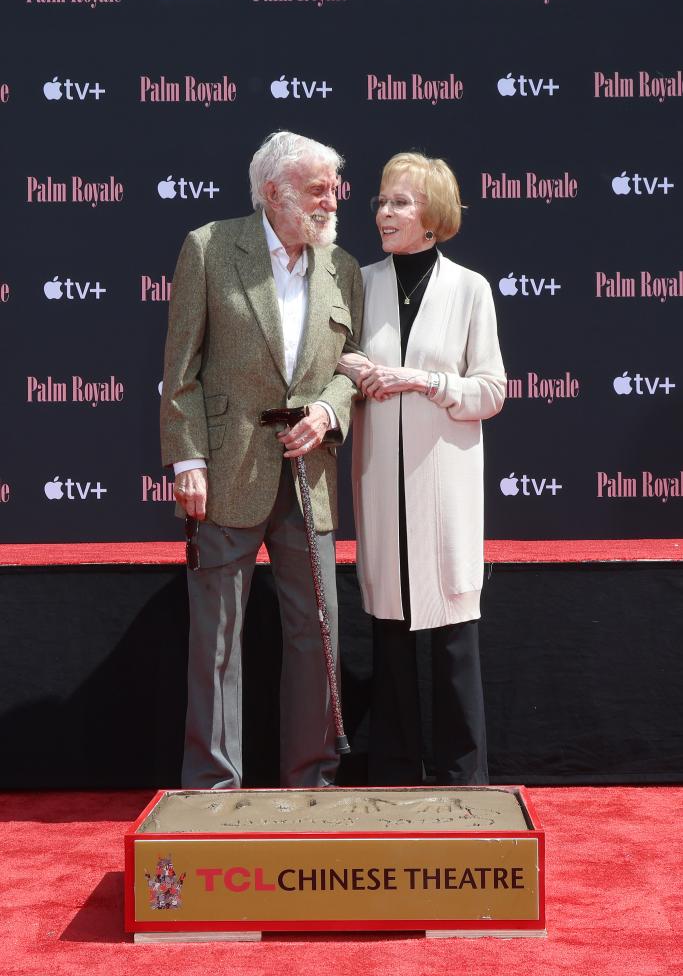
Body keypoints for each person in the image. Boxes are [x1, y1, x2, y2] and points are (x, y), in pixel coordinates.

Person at [160, 131, 363, 790]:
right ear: (273, 192)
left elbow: (350, 365)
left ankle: (313, 784)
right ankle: (212, 789)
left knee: (317, 635)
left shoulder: (343, 269)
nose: (330, 200)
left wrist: (329, 411)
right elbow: (180, 370)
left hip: (309, 478)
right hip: (226, 471)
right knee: (216, 639)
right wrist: (187, 457)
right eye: (315, 189)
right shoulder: (209, 248)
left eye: (332, 188)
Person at [337, 152, 505, 786]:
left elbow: (491, 390)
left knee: (455, 640)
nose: (383, 212)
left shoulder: (470, 289)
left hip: (444, 491)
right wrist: (358, 370)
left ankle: (467, 783)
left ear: (432, 216)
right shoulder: (360, 281)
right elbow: (337, 354)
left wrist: (426, 381)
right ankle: (398, 775)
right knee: (391, 635)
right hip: (381, 486)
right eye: (381, 201)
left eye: (399, 203)